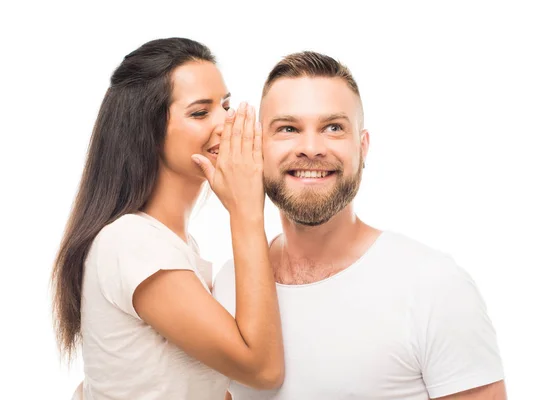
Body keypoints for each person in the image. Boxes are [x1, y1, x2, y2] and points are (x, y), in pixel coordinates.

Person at [213, 51, 506, 399]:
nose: (310, 148)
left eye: (333, 127)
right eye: (288, 128)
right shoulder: (230, 283)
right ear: (258, 146)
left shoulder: (435, 286)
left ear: (362, 148)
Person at [51, 37, 284, 400]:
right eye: (199, 112)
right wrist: (246, 212)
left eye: (224, 105)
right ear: (148, 131)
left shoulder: (169, 244)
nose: (226, 122)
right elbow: (262, 370)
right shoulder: (133, 242)